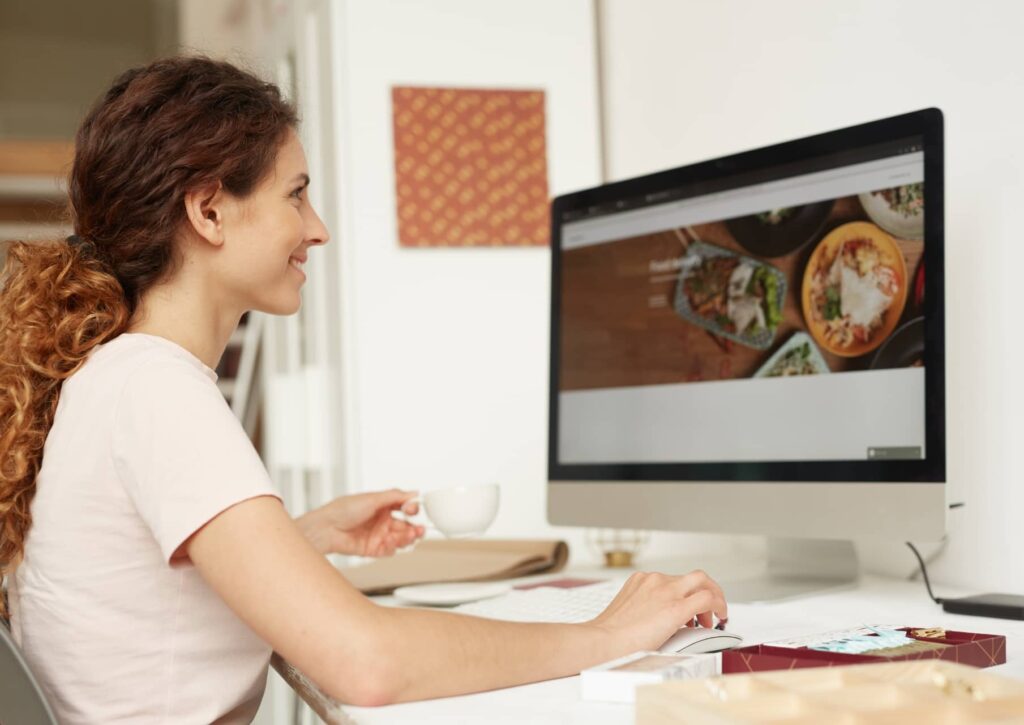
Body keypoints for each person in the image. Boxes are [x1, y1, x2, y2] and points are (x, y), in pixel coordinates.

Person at [0, 55, 727, 722]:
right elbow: (368, 663)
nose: (316, 229)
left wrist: (300, 539)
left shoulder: (115, 377)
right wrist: (609, 634)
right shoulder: (156, 389)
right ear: (209, 211)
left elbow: (142, 595)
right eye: (296, 194)